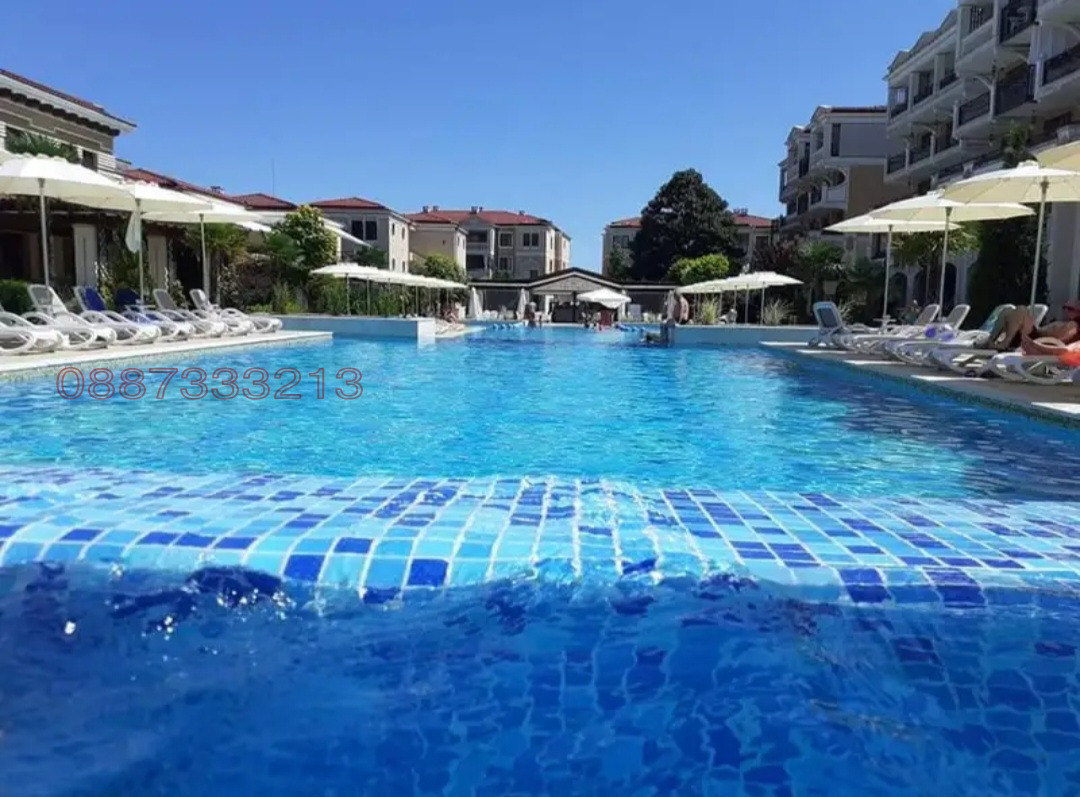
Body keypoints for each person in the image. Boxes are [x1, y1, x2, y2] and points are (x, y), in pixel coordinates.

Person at [988, 300, 1080, 352]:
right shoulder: (1067, 322)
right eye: (1065, 308)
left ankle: (1004, 344)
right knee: (1007, 310)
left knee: (1022, 310)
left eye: (1070, 309)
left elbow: (1062, 337)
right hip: (1034, 336)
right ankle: (990, 341)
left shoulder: (1075, 325)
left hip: (1037, 340)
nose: (1066, 311)